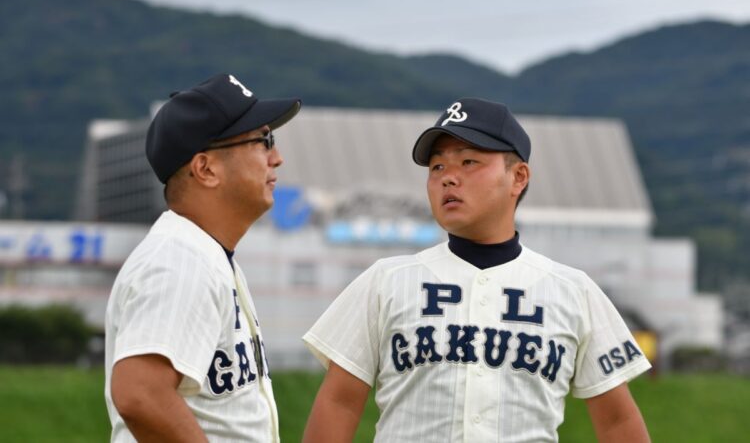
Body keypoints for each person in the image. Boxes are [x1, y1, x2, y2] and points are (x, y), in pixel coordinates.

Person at [302, 98, 651, 442]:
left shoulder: (572, 289)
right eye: (437, 167)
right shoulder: (386, 280)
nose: (448, 178)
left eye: (469, 161)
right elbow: (339, 403)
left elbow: (618, 420)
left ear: (518, 177)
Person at [104, 73, 301, 442]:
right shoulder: (180, 259)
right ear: (206, 169)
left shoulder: (205, 254)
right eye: (263, 141)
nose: (277, 157)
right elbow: (140, 393)